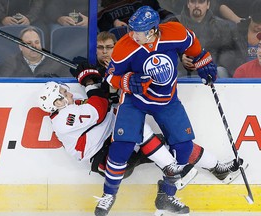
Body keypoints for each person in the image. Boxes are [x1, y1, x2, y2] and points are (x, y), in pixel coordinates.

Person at [94, 5, 219, 216]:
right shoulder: (125, 45)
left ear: (152, 30)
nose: (131, 34)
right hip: (135, 100)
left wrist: (203, 60)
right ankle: (109, 194)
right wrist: (125, 81)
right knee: (122, 147)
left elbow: (193, 45)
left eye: (137, 31)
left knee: (184, 147)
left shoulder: (175, 32)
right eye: (130, 29)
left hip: (167, 100)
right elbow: (110, 76)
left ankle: (167, 195)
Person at [37, 75, 198, 188]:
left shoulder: (70, 105)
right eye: (64, 94)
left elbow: (102, 103)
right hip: (108, 159)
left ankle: (210, 167)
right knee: (139, 130)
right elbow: (98, 108)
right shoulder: (64, 118)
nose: (70, 93)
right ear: (57, 103)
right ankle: (178, 174)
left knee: (165, 143)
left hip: (114, 144)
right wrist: (90, 84)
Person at [176, 0, 242, 78]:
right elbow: (164, 52)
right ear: (188, 4)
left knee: (221, 71)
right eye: (193, 2)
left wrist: (207, 62)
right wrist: (181, 59)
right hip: (183, 74)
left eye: (201, 2)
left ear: (208, 5)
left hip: (212, 73)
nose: (196, 5)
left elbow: (230, 54)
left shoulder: (223, 26)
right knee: (172, 73)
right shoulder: (174, 24)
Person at [0, 26, 72, 77]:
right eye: (29, 43)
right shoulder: (11, 63)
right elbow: (5, 86)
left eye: (37, 42)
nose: (34, 46)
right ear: (20, 46)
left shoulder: (56, 63)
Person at [97, 0, 176, 32]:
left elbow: (161, 13)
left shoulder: (146, 1)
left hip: (147, 40)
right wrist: (113, 23)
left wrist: (170, 21)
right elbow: (97, 22)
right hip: (119, 44)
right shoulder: (105, 4)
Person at [235, 0, 261, 64]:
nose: (260, 26)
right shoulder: (237, 31)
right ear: (250, 16)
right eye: (257, 21)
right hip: (240, 69)